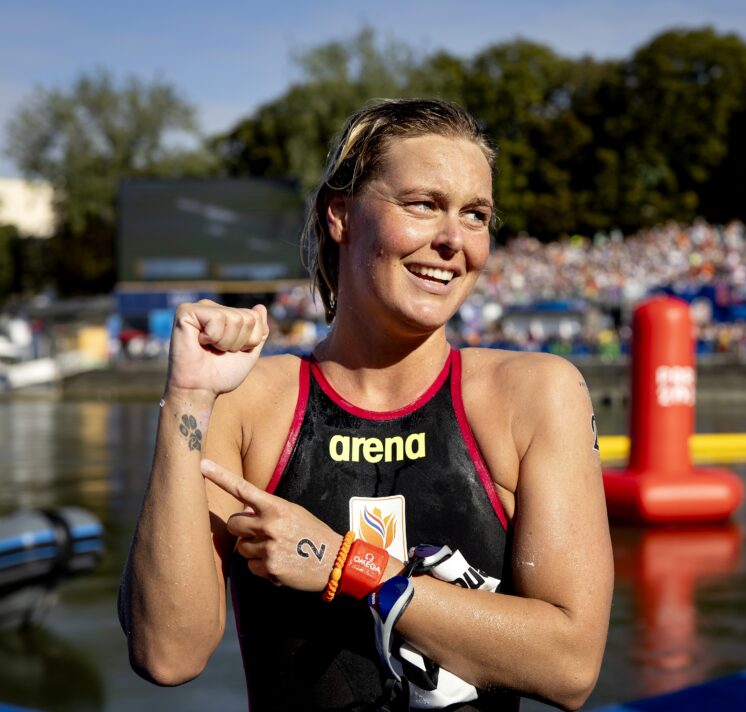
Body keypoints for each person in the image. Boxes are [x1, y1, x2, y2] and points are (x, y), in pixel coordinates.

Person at [118, 98, 613, 711]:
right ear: (341, 215)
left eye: (476, 214)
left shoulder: (534, 395)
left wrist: (344, 565)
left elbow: (571, 666)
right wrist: (188, 401)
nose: (452, 240)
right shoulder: (250, 402)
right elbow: (167, 654)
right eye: (423, 205)